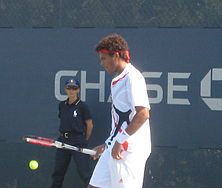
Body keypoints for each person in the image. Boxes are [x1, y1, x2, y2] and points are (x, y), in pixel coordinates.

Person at [88, 34, 151, 188]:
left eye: (104, 58)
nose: (102, 63)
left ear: (115, 55)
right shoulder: (118, 79)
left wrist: (119, 140)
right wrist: (108, 143)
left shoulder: (132, 77)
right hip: (114, 145)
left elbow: (143, 114)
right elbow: (122, 121)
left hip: (128, 149)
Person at [51, 78, 93, 188]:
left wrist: (84, 140)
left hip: (78, 141)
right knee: (58, 172)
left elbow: (89, 124)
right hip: (63, 141)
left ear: (78, 90)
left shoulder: (83, 106)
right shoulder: (62, 105)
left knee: (84, 173)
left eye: (74, 88)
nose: (71, 90)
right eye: (69, 88)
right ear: (65, 89)